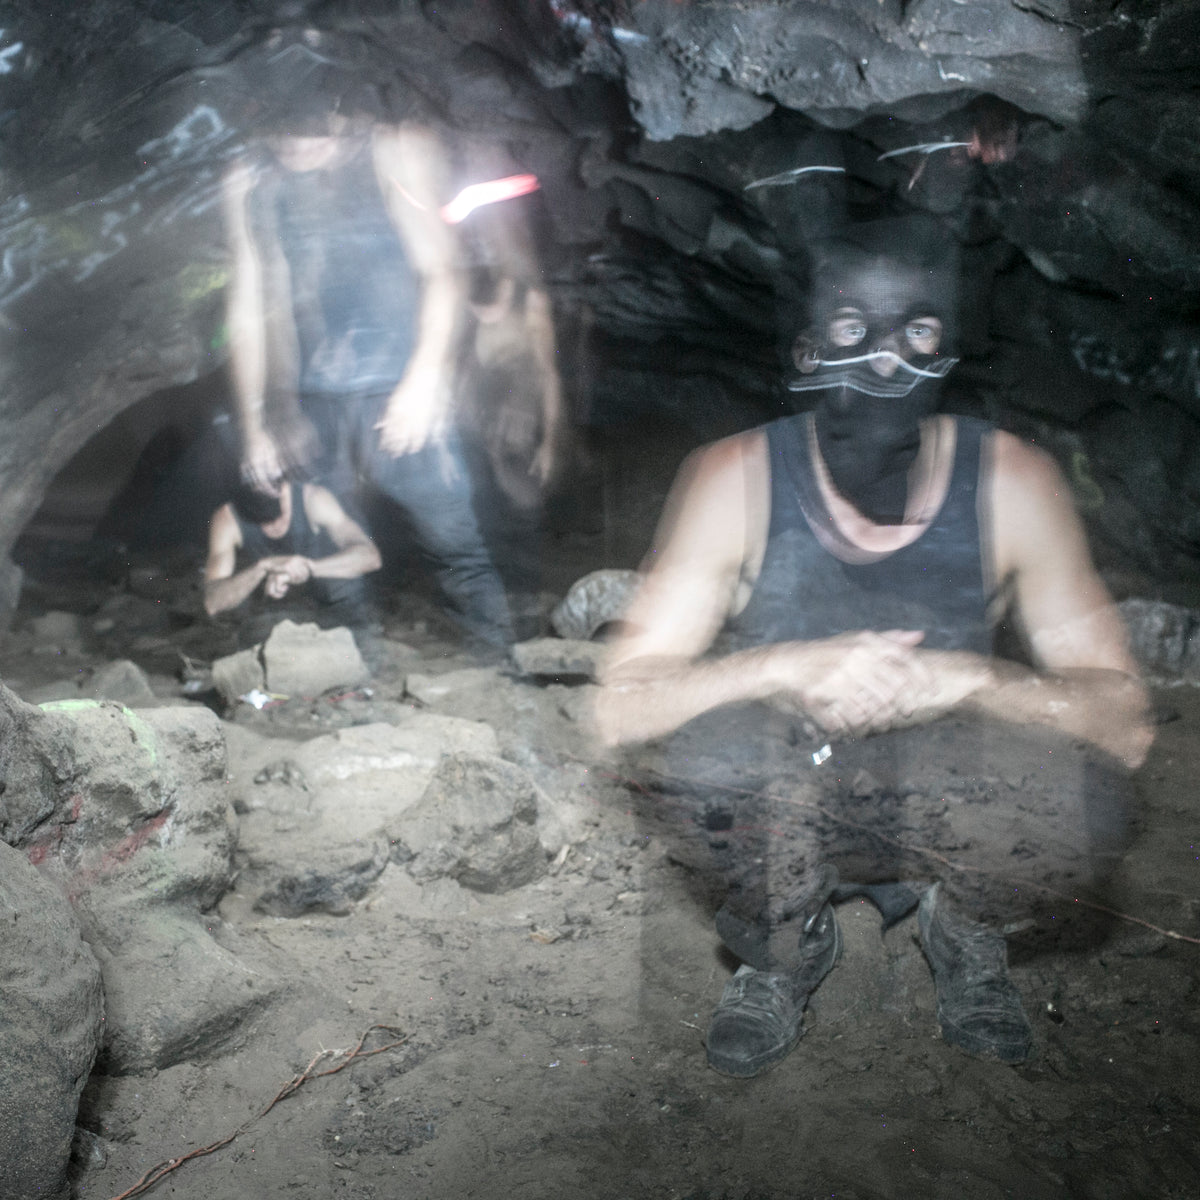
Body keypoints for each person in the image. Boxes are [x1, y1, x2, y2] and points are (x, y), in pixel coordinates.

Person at [595, 218, 1153, 1077]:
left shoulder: (1012, 482)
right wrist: (784, 667)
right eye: (856, 330)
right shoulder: (735, 478)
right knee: (705, 754)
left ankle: (963, 922)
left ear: (950, 354)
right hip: (795, 794)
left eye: (918, 331)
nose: (889, 361)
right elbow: (619, 705)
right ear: (810, 352)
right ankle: (788, 940)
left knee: (1089, 796)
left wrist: (967, 678)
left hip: (949, 792)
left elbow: (1124, 723)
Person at [222, 84, 514, 646]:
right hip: (308, 392)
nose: (298, 148)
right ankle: (352, 674)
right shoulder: (249, 176)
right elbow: (250, 307)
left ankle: (498, 665)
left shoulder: (392, 146)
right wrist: (259, 417)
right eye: (284, 136)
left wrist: (425, 380)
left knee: (450, 535)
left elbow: (442, 270)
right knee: (327, 542)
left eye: (314, 135)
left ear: (341, 107)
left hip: (398, 378)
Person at [203, 477, 381, 632]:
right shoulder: (227, 517)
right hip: (275, 618)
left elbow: (370, 557)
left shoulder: (313, 498)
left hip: (332, 608)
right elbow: (212, 602)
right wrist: (263, 567)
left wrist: (306, 568)